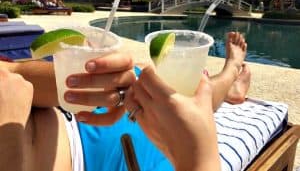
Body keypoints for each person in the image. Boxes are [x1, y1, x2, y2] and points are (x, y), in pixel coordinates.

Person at [0, 32, 250, 171]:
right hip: (105, 160)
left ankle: (228, 80)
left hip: (77, 111)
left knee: (158, 83)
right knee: (186, 103)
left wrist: (83, 84)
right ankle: (231, 74)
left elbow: (12, 73)